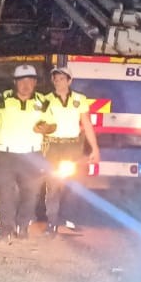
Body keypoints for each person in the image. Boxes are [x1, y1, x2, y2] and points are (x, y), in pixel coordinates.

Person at [0, 64, 52, 241]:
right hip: (5, 155)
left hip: (32, 156)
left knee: (30, 195)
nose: (26, 85)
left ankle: (22, 226)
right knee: (5, 194)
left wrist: (47, 128)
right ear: (15, 83)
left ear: (35, 82)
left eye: (30, 81)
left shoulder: (43, 102)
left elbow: (52, 125)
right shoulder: (2, 100)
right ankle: (5, 229)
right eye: (21, 81)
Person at [40, 63, 100, 235]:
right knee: (53, 185)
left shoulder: (80, 99)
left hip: (73, 147)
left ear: (70, 80)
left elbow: (86, 124)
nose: (58, 82)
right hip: (53, 146)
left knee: (75, 184)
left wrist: (95, 148)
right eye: (56, 79)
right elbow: (39, 123)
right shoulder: (46, 100)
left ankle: (68, 218)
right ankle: (52, 223)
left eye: (62, 79)